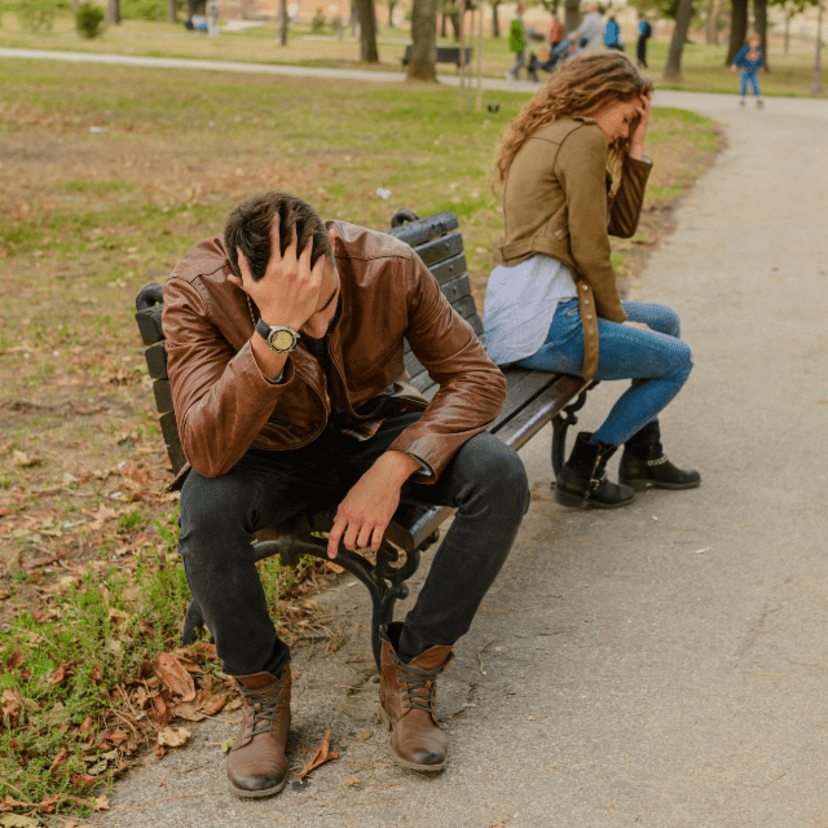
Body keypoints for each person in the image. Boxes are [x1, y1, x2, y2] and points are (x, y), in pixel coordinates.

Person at [162, 192, 530, 797]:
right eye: (292, 316)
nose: (319, 327)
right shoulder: (200, 289)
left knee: (500, 473)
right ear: (239, 281)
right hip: (269, 447)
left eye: (324, 301)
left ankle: (413, 668)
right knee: (205, 508)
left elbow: (476, 378)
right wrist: (272, 335)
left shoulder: (386, 264)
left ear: (331, 249)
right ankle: (262, 695)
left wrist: (394, 467)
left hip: (374, 431)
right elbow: (206, 451)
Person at [485, 52, 700, 510]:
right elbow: (589, 248)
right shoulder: (580, 138)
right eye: (627, 118)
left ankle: (644, 457)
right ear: (604, 95)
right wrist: (619, 319)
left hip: (536, 309)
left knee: (664, 321)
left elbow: (618, 225)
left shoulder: (562, 133)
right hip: (544, 321)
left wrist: (636, 146)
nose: (625, 131)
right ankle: (588, 463)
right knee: (677, 361)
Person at [731, 33, 765, 108]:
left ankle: (758, 100)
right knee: (744, 85)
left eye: (757, 41)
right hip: (744, 71)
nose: (755, 43)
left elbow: (760, 60)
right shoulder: (745, 49)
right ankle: (742, 100)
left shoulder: (758, 50)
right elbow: (738, 57)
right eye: (754, 41)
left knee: (755, 85)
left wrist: (761, 67)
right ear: (749, 41)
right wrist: (734, 65)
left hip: (754, 71)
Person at [507, 3, 536, 81]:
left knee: (519, 60)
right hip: (519, 43)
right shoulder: (516, 18)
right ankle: (510, 72)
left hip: (519, 42)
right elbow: (518, 32)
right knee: (522, 60)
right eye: (523, 9)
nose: (524, 11)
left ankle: (516, 76)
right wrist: (524, 40)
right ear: (519, 9)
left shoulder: (518, 17)